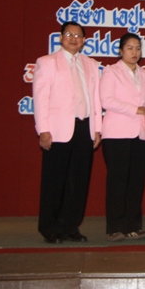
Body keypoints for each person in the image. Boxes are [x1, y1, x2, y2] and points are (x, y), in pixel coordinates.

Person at [33, 21, 102, 244]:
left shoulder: (91, 64)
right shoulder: (47, 62)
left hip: (84, 128)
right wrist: (43, 129)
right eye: (69, 34)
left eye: (78, 35)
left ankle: (71, 226)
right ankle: (50, 228)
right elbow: (41, 99)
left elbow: (96, 99)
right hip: (57, 130)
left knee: (78, 181)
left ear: (84, 41)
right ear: (61, 38)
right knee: (54, 181)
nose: (74, 39)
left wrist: (97, 129)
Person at [100, 33, 145, 242]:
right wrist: (135, 109)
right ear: (121, 51)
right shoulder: (111, 72)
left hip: (141, 134)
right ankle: (114, 228)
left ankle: (133, 226)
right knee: (118, 181)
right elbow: (106, 100)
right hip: (116, 134)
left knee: (136, 182)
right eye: (130, 48)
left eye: (138, 48)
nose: (134, 52)